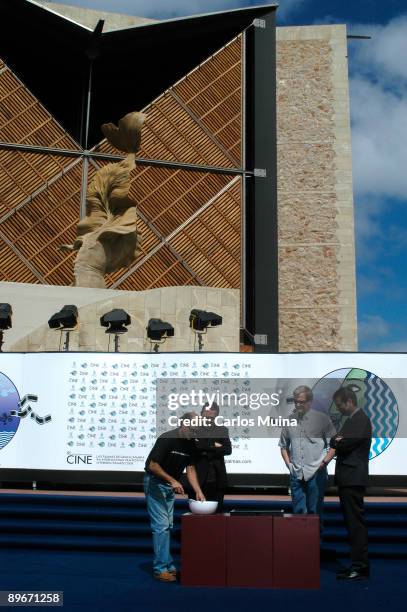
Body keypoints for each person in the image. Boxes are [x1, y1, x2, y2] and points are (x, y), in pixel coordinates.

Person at [144, 412, 205, 582]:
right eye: (193, 429)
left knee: (167, 525)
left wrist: (198, 490)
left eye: (197, 431)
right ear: (184, 424)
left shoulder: (191, 443)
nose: (195, 433)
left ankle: (168, 564)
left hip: (169, 486)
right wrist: (172, 480)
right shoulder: (167, 438)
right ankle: (160, 569)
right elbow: (152, 465)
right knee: (161, 526)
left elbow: (191, 468)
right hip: (155, 483)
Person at [330, 386, 372, 580]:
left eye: (339, 405)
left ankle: (360, 566)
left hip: (353, 478)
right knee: (352, 523)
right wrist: (336, 441)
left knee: (355, 524)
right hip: (349, 478)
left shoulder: (359, 420)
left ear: (349, 401)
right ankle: (357, 564)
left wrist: (337, 441)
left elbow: (343, 443)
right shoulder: (352, 420)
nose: (338, 409)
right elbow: (336, 441)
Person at [279, 385, 336, 518]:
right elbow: (283, 446)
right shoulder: (289, 420)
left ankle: (317, 539)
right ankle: (300, 539)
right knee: (298, 513)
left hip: (316, 472)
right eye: (296, 401)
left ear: (310, 402)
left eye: (302, 402)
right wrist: (289, 465)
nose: (298, 404)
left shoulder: (322, 419)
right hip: (296, 473)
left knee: (315, 513)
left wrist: (323, 463)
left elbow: (334, 445)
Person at [192, 402, 232, 512]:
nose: (209, 420)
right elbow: (196, 447)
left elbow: (228, 450)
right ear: (201, 414)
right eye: (206, 417)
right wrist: (215, 445)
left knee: (217, 516)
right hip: (198, 480)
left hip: (217, 480)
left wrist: (205, 447)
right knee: (196, 516)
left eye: (212, 417)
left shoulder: (222, 430)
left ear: (216, 416)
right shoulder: (194, 429)